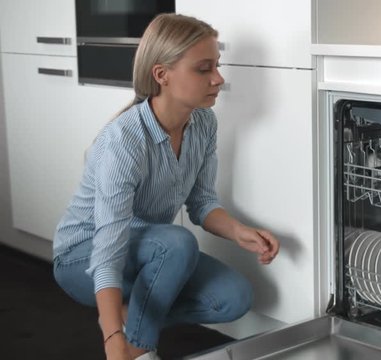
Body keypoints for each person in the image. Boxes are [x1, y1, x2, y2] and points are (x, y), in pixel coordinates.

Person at [52, 13, 280, 360]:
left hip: (150, 249)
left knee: (234, 297)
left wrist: (238, 231)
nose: (218, 79)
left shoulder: (203, 123)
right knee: (176, 242)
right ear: (162, 75)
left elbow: (202, 202)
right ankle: (138, 349)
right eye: (204, 69)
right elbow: (109, 244)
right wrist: (113, 340)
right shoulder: (124, 140)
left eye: (217, 66)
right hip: (83, 256)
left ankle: (134, 322)